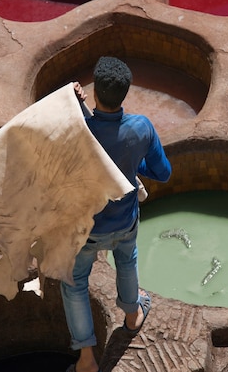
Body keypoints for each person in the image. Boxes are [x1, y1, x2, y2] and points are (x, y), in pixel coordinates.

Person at [62, 57, 172, 372]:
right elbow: (162, 173)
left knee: (75, 284)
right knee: (127, 260)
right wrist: (129, 164)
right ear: (125, 92)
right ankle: (132, 314)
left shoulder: (78, 129)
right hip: (124, 221)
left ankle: (86, 360)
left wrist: (76, 107)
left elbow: (91, 136)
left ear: (95, 91)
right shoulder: (141, 128)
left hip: (87, 228)